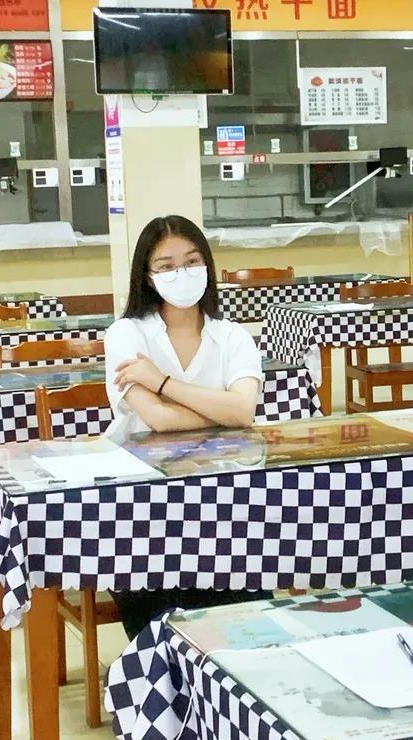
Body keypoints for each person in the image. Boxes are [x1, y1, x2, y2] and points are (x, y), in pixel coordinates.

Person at [103, 214, 266, 639]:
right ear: (147, 275)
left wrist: (161, 382)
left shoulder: (232, 336)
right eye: (167, 265)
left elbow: (243, 411)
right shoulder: (126, 334)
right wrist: (222, 409)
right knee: (163, 619)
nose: (182, 273)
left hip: (223, 500)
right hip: (142, 505)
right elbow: (156, 420)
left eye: (192, 261)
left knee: (248, 606)